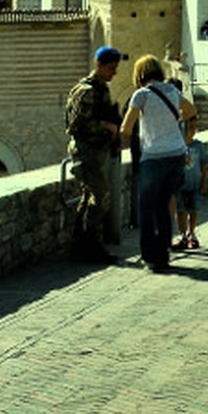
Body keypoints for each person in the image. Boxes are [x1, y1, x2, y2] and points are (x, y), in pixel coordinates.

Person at [118, 54, 195, 272]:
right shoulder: (172, 91)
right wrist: (171, 122)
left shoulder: (141, 95)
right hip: (177, 154)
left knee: (146, 207)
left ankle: (150, 256)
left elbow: (126, 127)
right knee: (163, 205)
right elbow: (191, 111)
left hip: (154, 156)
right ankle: (163, 254)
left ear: (140, 74)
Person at [64, 46, 123, 265]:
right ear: (99, 65)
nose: (114, 73)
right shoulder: (86, 91)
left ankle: (81, 247)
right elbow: (76, 125)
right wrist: (105, 126)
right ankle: (90, 247)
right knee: (100, 197)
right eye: (111, 68)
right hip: (85, 151)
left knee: (90, 198)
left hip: (96, 151)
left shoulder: (101, 89)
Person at [174, 128, 206, 251]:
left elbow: (204, 165)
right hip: (180, 184)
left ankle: (192, 233)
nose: (190, 131)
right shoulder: (177, 146)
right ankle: (182, 236)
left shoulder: (198, 146)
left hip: (194, 183)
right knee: (180, 210)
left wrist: (204, 181)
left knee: (194, 209)